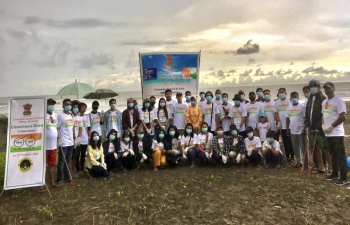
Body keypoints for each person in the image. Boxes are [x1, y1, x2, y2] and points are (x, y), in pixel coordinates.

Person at [322, 82, 348, 186]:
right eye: (326, 89)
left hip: (337, 133)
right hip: (328, 133)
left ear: (333, 89)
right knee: (333, 154)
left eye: (329, 88)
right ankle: (334, 174)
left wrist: (331, 126)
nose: (327, 90)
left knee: (340, 155)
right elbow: (323, 115)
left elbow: (343, 117)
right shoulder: (324, 101)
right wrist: (323, 125)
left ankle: (344, 177)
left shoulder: (339, 101)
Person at [304, 80, 330, 173]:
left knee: (324, 147)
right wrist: (307, 123)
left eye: (314, 87)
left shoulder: (323, 98)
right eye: (311, 87)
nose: (312, 89)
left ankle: (330, 167)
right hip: (311, 127)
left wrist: (319, 125)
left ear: (319, 88)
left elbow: (324, 113)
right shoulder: (310, 98)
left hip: (320, 127)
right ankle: (321, 166)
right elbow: (308, 112)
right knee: (315, 147)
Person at [56, 99, 75, 184]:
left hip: (71, 142)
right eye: (66, 104)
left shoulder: (71, 115)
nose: (68, 106)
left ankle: (67, 177)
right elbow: (56, 127)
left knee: (68, 161)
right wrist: (59, 139)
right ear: (63, 106)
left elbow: (72, 127)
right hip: (63, 142)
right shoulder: (60, 116)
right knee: (61, 161)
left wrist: (74, 138)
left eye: (69, 104)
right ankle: (59, 179)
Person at [274, 88, 294, 163]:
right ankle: (287, 156)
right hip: (282, 126)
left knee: (291, 142)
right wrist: (278, 121)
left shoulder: (290, 100)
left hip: (290, 125)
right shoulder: (277, 102)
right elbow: (275, 113)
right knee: (285, 142)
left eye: (282, 92)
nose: (281, 94)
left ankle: (292, 156)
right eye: (279, 93)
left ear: (285, 93)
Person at [45, 98, 61, 188]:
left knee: (52, 164)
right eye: (49, 104)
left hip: (53, 145)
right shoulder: (43, 115)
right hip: (45, 145)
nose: (51, 106)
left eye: (52, 104)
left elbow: (56, 128)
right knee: (43, 165)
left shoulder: (55, 115)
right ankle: (41, 184)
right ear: (46, 105)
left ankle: (52, 183)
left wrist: (58, 138)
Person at [286, 92, 306, 167]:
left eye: (295, 97)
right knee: (295, 147)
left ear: (298, 98)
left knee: (302, 146)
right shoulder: (288, 107)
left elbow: (305, 118)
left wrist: (304, 128)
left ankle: (305, 161)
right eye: (292, 97)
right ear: (290, 98)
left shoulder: (302, 107)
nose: (294, 99)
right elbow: (287, 119)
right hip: (292, 130)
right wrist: (288, 129)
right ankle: (298, 161)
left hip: (300, 130)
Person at [76, 103, 90, 173]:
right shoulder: (76, 117)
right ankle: (78, 169)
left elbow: (88, 128)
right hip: (78, 138)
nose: (83, 109)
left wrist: (88, 136)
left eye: (85, 108)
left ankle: (82, 168)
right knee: (77, 154)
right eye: (82, 107)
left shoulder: (87, 117)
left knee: (83, 154)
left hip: (85, 138)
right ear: (79, 108)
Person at [71, 100, 82, 178]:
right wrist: (74, 136)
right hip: (71, 139)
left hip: (77, 139)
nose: (75, 108)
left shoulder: (79, 117)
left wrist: (78, 136)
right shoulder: (71, 116)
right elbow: (72, 127)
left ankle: (75, 171)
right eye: (74, 107)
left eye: (77, 107)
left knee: (76, 155)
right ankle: (71, 172)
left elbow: (80, 128)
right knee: (71, 157)